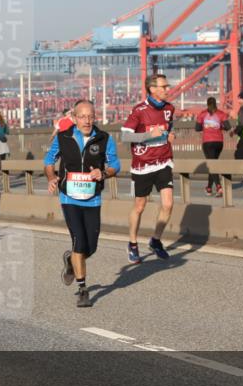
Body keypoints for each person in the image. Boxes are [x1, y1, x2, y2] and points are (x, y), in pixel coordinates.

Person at [45, 99, 120, 307]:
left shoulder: (104, 139)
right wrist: (51, 177)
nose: (87, 121)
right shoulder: (63, 138)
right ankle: (83, 289)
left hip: (92, 199)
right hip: (68, 197)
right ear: (74, 118)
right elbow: (48, 161)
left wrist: (103, 172)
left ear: (95, 117)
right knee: (79, 240)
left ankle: (71, 261)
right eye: (82, 116)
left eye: (90, 116)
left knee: (91, 246)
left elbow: (115, 165)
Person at [121, 73, 176, 263]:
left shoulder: (169, 108)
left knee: (168, 204)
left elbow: (169, 126)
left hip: (163, 161)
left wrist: (170, 135)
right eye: (164, 87)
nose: (167, 89)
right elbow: (125, 136)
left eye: (167, 86)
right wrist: (147, 135)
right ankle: (133, 243)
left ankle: (156, 240)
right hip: (142, 165)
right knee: (140, 206)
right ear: (152, 89)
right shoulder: (139, 110)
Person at [195, 97, 230, 197]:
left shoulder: (202, 114)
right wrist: (219, 126)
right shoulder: (221, 114)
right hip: (219, 142)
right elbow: (227, 127)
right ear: (216, 104)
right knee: (213, 163)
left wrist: (206, 126)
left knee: (211, 164)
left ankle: (219, 187)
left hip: (207, 142)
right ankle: (209, 188)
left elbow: (197, 128)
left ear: (207, 104)